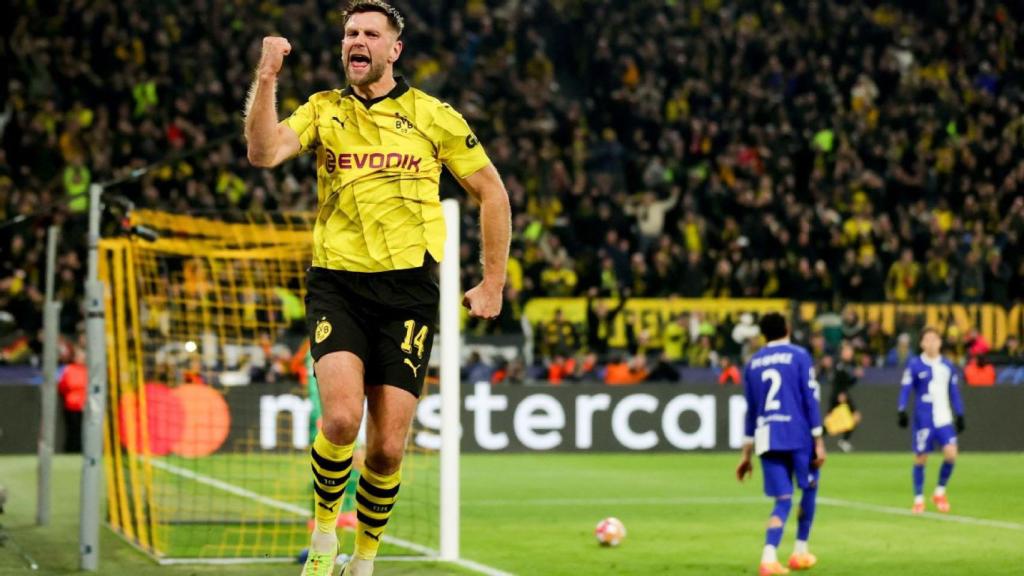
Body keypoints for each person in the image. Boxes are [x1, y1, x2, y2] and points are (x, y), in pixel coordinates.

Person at [244, 2, 511, 574]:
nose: (355, 41)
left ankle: (364, 560)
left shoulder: (433, 116)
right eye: (349, 34)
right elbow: (263, 153)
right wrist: (266, 77)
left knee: (387, 450)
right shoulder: (323, 109)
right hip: (338, 284)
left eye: (370, 33)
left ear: (395, 50)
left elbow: (493, 193)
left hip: (410, 292)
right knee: (340, 421)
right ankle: (322, 537)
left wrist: (493, 282)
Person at [737, 313, 826, 575]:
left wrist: (746, 455)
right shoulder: (799, 355)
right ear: (787, 328)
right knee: (808, 488)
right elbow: (810, 397)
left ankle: (768, 557)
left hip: (767, 438)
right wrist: (818, 439)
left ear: (763, 334)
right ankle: (799, 550)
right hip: (797, 434)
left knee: (783, 498)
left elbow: (751, 412)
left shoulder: (752, 363)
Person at [898, 327, 965, 515]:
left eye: (934, 339)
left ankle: (940, 492)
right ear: (921, 343)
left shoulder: (947, 366)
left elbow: (954, 391)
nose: (931, 343)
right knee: (921, 458)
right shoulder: (914, 365)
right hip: (924, 418)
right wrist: (901, 409)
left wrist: (960, 414)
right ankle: (918, 499)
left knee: (951, 454)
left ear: (940, 342)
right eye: (927, 339)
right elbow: (905, 388)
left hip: (944, 418)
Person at [829, 341, 862, 452]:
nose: (850, 353)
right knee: (830, 422)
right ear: (842, 352)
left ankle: (844, 440)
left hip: (843, 394)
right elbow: (835, 382)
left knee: (855, 417)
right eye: (848, 351)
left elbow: (847, 383)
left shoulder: (846, 365)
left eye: (851, 351)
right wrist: (839, 394)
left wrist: (856, 377)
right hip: (839, 395)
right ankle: (843, 440)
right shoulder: (839, 364)